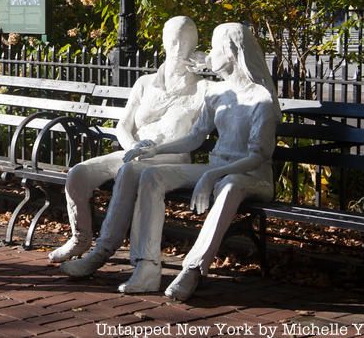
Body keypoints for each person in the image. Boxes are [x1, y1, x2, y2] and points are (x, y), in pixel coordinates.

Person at [119, 23, 280, 300]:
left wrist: (210, 177)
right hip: (217, 170)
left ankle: (192, 269)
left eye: (214, 48)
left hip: (253, 177)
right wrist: (155, 150)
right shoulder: (217, 93)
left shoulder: (261, 98)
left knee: (230, 185)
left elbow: (258, 156)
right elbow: (195, 138)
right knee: (151, 176)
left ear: (230, 53)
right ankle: (146, 266)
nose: (207, 53)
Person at [53, 17, 208, 274]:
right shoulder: (146, 83)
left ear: (195, 45)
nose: (178, 47)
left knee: (129, 171)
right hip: (134, 151)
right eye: (173, 39)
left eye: (186, 41)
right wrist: (133, 147)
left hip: (171, 158)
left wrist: (211, 65)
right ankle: (80, 238)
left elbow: (242, 87)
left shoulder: (202, 89)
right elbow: (122, 125)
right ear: (164, 41)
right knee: (79, 173)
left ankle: (102, 251)